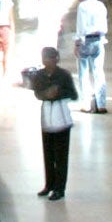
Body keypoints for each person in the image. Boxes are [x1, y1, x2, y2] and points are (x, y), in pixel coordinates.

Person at [30, 47, 79, 200]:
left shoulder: (63, 75)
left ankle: (60, 188)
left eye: (49, 58)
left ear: (56, 59)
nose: (46, 62)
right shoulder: (39, 75)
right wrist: (46, 94)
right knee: (48, 154)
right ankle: (49, 184)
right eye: (44, 58)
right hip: (46, 118)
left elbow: (73, 94)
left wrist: (57, 93)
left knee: (61, 156)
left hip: (61, 118)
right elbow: (37, 93)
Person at [74, 0, 109, 113]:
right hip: (99, 40)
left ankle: (86, 103)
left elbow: (81, 27)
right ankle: (101, 104)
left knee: (83, 73)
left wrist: (77, 44)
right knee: (99, 72)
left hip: (86, 41)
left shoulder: (82, 6)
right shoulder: (101, 5)